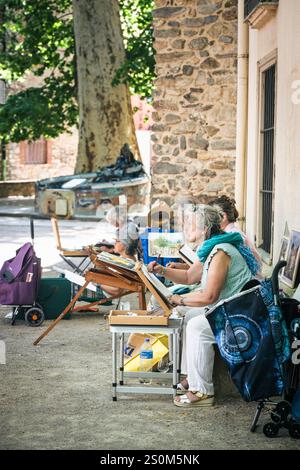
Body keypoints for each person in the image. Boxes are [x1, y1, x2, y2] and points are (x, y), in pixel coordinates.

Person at [148, 205, 260, 408]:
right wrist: (162, 270)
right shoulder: (212, 248)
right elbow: (190, 276)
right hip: (229, 307)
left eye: (190, 224)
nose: (185, 227)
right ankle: (191, 377)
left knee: (197, 326)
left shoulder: (221, 252)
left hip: (240, 313)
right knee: (188, 317)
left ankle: (202, 391)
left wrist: (179, 299)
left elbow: (209, 296)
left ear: (204, 229)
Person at [210, 195, 261, 269]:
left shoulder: (232, 235)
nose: (210, 220)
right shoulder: (231, 232)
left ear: (223, 217)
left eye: (212, 216)